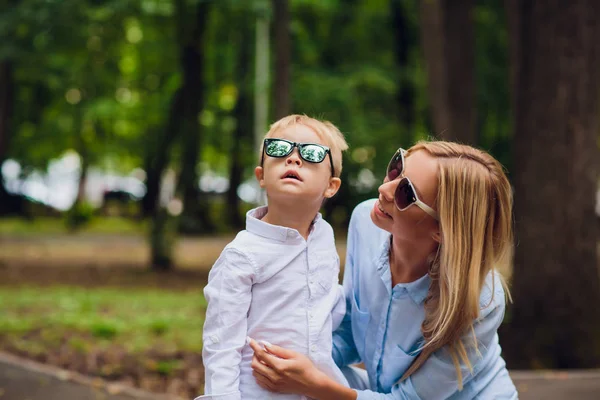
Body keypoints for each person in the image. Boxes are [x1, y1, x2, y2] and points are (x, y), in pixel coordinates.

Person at [248, 141, 518, 399]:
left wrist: (313, 383)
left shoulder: (480, 301)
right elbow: (352, 328)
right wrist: (298, 359)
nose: (384, 189)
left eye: (406, 193)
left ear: (443, 230)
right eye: (396, 168)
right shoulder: (366, 222)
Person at [197, 114, 350, 400]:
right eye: (279, 150)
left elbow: (327, 300)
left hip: (314, 387)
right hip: (259, 391)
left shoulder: (324, 238)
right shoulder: (242, 254)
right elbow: (221, 341)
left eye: (312, 153)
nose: (293, 159)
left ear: (331, 186)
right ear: (261, 177)